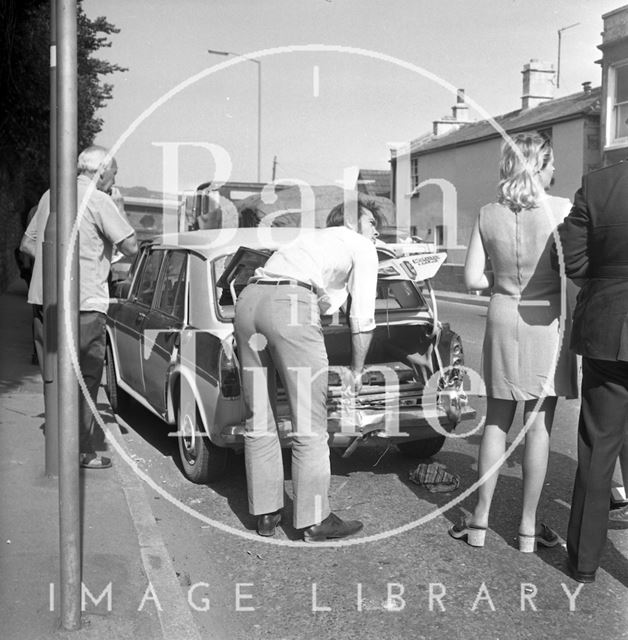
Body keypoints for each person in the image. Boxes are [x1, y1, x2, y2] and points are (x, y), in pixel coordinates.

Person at [449, 132, 578, 551]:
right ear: (539, 164)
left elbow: (471, 279)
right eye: (551, 162)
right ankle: (527, 527)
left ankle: (480, 521)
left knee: (496, 421)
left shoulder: (487, 213)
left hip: (503, 313)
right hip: (546, 319)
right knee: (538, 425)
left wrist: (504, 284)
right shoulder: (562, 210)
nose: (555, 169)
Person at [233, 198, 381, 541]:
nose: (376, 230)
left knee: (260, 416)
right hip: (290, 305)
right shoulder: (361, 246)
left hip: (249, 300)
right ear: (354, 222)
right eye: (372, 222)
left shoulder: (311, 241)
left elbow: (326, 300)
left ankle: (266, 514)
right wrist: (357, 371)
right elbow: (362, 318)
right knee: (310, 421)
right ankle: (314, 519)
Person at [20, 145, 138, 469]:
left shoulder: (49, 196)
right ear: (101, 171)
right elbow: (132, 245)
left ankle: (57, 451)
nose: (114, 178)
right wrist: (119, 206)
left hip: (46, 302)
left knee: (54, 377)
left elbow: (28, 244)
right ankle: (81, 452)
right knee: (86, 381)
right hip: (85, 303)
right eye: (114, 172)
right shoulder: (99, 199)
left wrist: (54, 265)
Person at [557, 158, 628, 582]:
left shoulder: (599, 184)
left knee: (598, 446)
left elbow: (574, 257)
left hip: (607, 322)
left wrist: (603, 286)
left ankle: (584, 561)